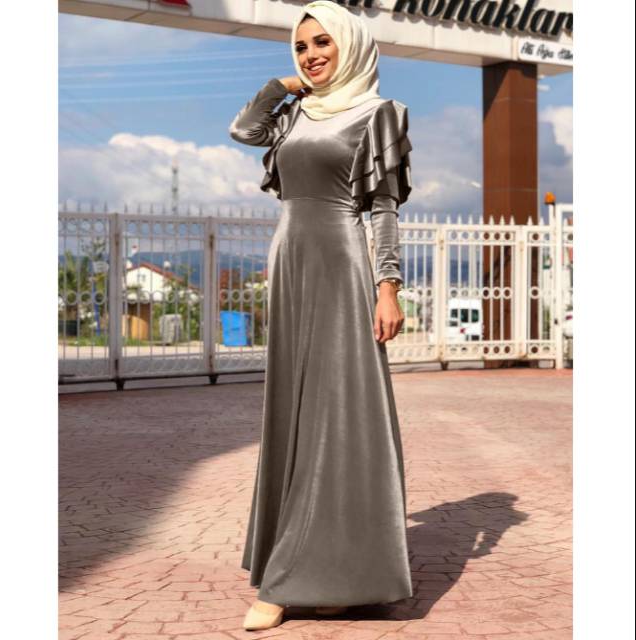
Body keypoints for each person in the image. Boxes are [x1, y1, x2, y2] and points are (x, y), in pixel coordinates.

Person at [228, 0, 414, 631]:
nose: (311, 55)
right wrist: (280, 85)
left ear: (351, 44)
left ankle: (296, 578)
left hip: (341, 261)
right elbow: (244, 131)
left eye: (323, 43)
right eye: (302, 46)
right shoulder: (295, 111)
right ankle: (327, 572)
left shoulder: (379, 113)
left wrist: (387, 287)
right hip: (290, 261)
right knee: (295, 411)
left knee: (338, 414)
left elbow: (382, 209)